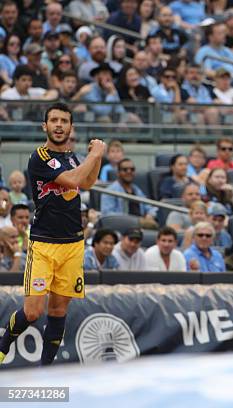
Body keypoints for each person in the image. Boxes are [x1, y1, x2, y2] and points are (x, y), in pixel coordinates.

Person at [0, 103, 106, 365]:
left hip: (73, 244)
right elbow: (72, 181)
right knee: (33, 312)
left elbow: (88, 182)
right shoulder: (39, 156)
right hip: (44, 244)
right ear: (44, 126)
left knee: (59, 311)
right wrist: (95, 155)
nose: (59, 125)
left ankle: (44, 372)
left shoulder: (71, 157)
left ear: (71, 127)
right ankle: (3, 346)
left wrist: (96, 156)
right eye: (54, 120)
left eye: (64, 121)